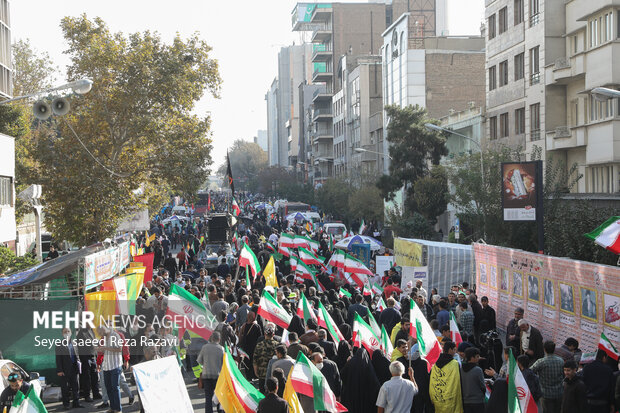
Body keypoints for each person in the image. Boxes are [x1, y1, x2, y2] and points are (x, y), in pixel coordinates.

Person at [531, 340, 564, 413]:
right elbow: (564, 375)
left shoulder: (541, 362)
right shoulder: (561, 361)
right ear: (554, 349)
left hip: (545, 393)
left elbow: (530, 371)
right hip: (559, 392)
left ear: (544, 349)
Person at [430, 341, 463, 413]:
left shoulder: (435, 363)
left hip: (438, 396)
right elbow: (457, 381)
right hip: (451, 398)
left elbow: (432, 380)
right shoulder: (454, 363)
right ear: (450, 350)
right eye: (454, 349)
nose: (455, 352)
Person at [97, 325, 123, 413]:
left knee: (115, 388)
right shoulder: (104, 337)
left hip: (115, 366)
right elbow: (108, 350)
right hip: (106, 366)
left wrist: (105, 348)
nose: (100, 335)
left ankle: (118, 409)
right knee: (108, 387)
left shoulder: (115, 335)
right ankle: (113, 407)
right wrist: (100, 350)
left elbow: (119, 349)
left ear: (103, 330)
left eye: (100, 332)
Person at [196, 331, 224, 413]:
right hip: (217, 376)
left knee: (208, 397)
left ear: (211, 338)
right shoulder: (221, 349)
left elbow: (199, 361)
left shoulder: (204, 347)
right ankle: (220, 411)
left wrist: (206, 363)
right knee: (219, 395)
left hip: (206, 375)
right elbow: (224, 364)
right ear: (219, 339)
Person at [55, 328, 82, 409]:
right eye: (65, 332)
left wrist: (79, 363)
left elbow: (77, 355)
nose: (67, 333)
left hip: (74, 368)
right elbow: (58, 358)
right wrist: (59, 370)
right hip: (64, 369)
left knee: (76, 386)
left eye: (68, 331)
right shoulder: (59, 344)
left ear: (71, 332)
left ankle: (76, 403)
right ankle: (66, 404)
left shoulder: (74, 343)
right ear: (62, 334)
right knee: (65, 388)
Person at [253, 323, 279, 393]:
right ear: (273, 334)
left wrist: (256, 371)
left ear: (265, 334)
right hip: (273, 373)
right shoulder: (277, 345)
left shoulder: (259, 345)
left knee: (262, 392)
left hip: (262, 373)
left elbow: (255, 360)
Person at [461, 347, 486, 413]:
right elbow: (482, 386)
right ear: (472, 358)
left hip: (465, 401)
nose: (479, 358)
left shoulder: (460, 369)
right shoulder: (478, 370)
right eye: (477, 357)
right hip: (477, 401)